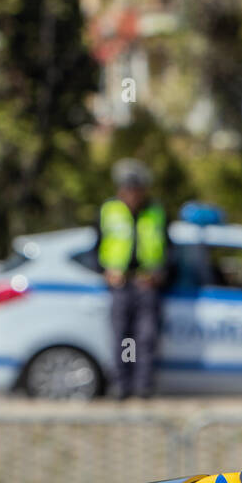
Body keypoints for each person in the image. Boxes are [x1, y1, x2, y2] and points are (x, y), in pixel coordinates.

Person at [98, 160, 167, 399]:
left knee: (146, 338)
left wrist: (160, 273)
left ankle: (142, 388)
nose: (133, 194)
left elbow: (169, 249)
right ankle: (122, 387)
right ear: (120, 189)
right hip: (120, 286)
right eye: (128, 189)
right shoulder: (109, 211)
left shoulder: (156, 211)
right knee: (123, 338)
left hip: (146, 285)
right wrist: (105, 271)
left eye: (137, 189)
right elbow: (95, 248)